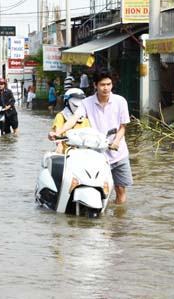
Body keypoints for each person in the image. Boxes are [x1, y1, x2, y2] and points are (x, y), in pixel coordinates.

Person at [49, 70, 132, 204]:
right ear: (95, 85)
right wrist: (58, 133)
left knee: (120, 189)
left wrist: (116, 141)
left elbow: (123, 127)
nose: (106, 88)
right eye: (102, 85)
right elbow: (74, 119)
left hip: (118, 153)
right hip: (97, 154)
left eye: (109, 84)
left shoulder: (120, 101)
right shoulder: (87, 103)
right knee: (95, 187)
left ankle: (118, 220)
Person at [51, 88, 90, 153]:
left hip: (84, 152)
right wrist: (59, 144)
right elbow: (57, 133)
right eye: (75, 104)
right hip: (67, 153)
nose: (77, 107)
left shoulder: (86, 118)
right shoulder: (61, 116)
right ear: (67, 102)